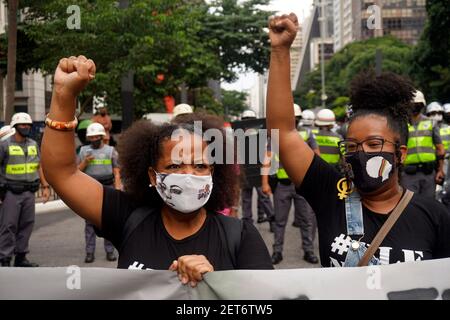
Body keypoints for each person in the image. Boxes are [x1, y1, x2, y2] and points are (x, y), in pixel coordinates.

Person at [41, 55, 273, 286]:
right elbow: (62, 173)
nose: (188, 176)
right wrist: (64, 96)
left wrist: (216, 284)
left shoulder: (240, 236)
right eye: (174, 166)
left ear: (213, 173)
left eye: (200, 166)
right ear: (153, 175)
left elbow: (263, 302)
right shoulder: (127, 217)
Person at [266, 13, 450, 267]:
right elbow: (282, 132)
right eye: (352, 146)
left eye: (374, 145)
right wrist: (280, 50)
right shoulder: (331, 195)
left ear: (401, 153)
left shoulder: (434, 217)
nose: (361, 154)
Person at [263, 104, 319, 265]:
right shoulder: (274, 136)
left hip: (303, 185)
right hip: (283, 185)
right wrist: (265, 182)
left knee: (306, 219)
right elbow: (267, 159)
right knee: (280, 220)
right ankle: (277, 251)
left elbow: (317, 156)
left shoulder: (306, 133)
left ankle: (308, 251)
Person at [0, 113, 50, 267]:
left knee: (27, 224)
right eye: (22, 125)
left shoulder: (33, 144)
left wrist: (45, 186)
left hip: (29, 192)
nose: (26, 127)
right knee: (8, 226)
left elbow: (38, 166)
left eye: (28, 125)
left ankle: (21, 257)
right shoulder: (5, 145)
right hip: (10, 192)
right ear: (15, 127)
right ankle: (5, 258)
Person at [78, 122, 122, 263]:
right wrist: (85, 162)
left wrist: (118, 187)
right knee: (90, 222)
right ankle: (89, 252)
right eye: (91, 137)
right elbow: (76, 171)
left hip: (107, 187)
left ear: (102, 137)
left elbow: (116, 170)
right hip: (90, 187)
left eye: (97, 136)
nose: (94, 139)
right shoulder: (84, 151)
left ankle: (110, 251)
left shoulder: (111, 151)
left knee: (108, 220)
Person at [402, 91, 445, 198]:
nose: (415, 107)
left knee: (429, 204)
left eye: (418, 104)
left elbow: (440, 148)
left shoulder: (431, 123)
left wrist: (440, 170)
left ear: (423, 105)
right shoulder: (402, 125)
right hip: (408, 174)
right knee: (410, 204)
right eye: (413, 104)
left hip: (429, 173)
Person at [238, 109, 275, 225]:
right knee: (247, 198)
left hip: (258, 169)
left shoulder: (261, 134)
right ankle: (248, 223)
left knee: (260, 197)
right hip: (246, 169)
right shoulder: (238, 135)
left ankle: (271, 219)